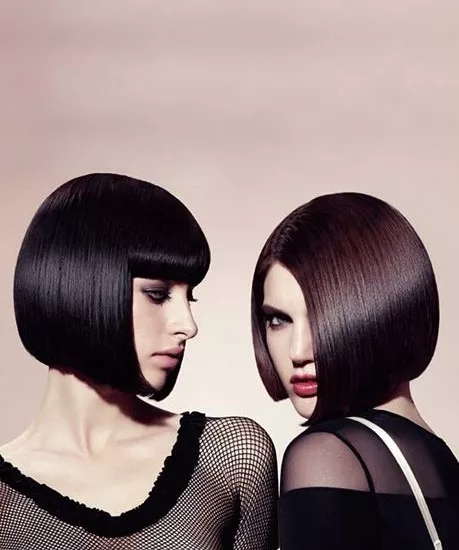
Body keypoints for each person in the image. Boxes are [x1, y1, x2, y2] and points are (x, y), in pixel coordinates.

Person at [0, 173, 278, 550]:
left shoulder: (230, 458)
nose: (188, 325)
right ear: (83, 287)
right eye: (158, 295)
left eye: (190, 297)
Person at [251, 192, 459, 549]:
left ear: (380, 313)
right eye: (279, 320)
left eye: (320, 317)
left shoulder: (328, 454)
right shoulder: (444, 467)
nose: (298, 352)